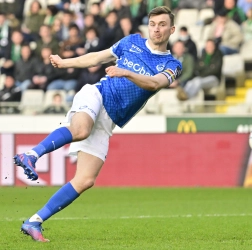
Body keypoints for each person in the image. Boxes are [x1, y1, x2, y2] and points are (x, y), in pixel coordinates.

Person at [13, 6, 182, 242]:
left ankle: (34, 221)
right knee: (81, 129)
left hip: (109, 121)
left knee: (85, 180)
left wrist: (126, 73)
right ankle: (31, 154)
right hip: (97, 95)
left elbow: (155, 84)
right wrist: (64, 62)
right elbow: (97, 56)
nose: (156, 29)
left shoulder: (172, 64)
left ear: (171, 29)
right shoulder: (131, 41)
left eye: (162, 24)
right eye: (153, 24)